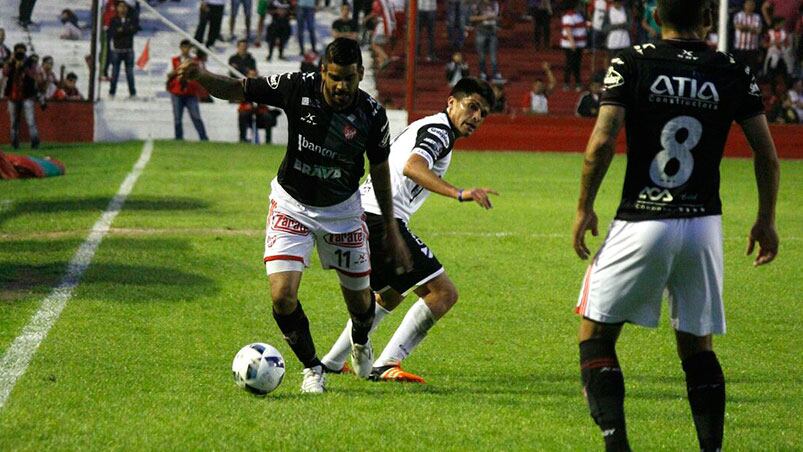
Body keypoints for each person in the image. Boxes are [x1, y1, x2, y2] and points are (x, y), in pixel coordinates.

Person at [571, 1, 780, 450]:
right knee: (697, 347)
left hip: (643, 217)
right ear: (708, 19)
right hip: (704, 225)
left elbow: (602, 141)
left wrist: (584, 206)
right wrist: (765, 219)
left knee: (596, 334)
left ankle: (616, 444)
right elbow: (766, 153)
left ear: (654, 17)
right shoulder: (731, 68)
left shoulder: (633, 61)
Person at [176, 37, 412, 394]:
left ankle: (361, 341)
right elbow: (237, 89)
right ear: (322, 72)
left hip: (343, 214)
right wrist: (201, 75)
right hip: (292, 204)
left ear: (361, 74)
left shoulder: (373, 115)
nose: (341, 86)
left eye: (349, 77)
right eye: (334, 77)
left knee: (361, 304)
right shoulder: (296, 87)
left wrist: (391, 228)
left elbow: (379, 170)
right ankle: (312, 367)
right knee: (282, 297)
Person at [320, 77, 497, 383]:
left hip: (363, 214)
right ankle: (386, 363)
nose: (477, 117)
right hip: (380, 220)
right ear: (451, 102)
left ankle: (332, 362)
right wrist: (459, 193)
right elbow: (413, 166)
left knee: (390, 295)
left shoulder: (432, 126)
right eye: (472, 107)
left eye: (483, 113)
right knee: (443, 293)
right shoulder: (440, 131)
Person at [167, 39, 209, 141]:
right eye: (184, 47)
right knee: (177, 118)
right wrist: (178, 69)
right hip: (177, 92)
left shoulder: (195, 61)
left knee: (196, 116)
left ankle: (203, 138)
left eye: (188, 47)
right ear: (181, 48)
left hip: (191, 92)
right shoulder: (174, 60)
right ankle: (178, 138)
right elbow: (168, 74)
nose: (186, 49)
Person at [3, 43, 40, 149]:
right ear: (14, 52)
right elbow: (5, 73)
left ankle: (35, 143)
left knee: (30, 120)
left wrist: (24, 66)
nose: (20, 53)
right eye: (18, 51)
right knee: (13, 122)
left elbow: (34, 75)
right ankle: (14, 143)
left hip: (27, 95)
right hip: (13, 96)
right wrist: (11, 62)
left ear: (25, 52)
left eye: (22, 51)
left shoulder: (30, 62)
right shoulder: (10, 61)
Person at [108, 0, 138, 98]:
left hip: (128, 50)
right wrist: (124, 30)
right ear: (117, 8)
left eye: (124, 7)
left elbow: (134, 30)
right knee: (115, 73)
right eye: (120, 6)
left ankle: (132, 93)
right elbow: (113, 33)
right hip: (117, 50)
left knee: (130, 73)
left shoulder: (131, 19)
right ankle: (112, 92)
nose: (122, 9)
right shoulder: (114, 20)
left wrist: (122, 30)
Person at [471, 0, 503, 82]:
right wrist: (484, 18)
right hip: (481, 32)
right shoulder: (478, 4)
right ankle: (483, 73)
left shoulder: (495, 3)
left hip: (492, 32)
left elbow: (499, 16)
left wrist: (497, 19)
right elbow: (471, 18)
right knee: (481, 56)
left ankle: (496, 74)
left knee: (494, 56)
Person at [732, 0, 762, 76]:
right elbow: (737, 26)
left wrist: (745, 27)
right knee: (739, 69)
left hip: (752, 49)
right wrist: (751, 28)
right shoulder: (738, 15)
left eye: (752, 4)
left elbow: (758, 30)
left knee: (751, 70)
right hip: (740, 48)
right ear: (744, 5)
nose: (750, 6)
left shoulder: (757, 17)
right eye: (749, 4)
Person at [561, 3, 587, 92]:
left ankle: (577, 83)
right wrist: (572, 43)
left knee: (577, 65)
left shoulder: (578, 15)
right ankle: (566, 83)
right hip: (571, 45)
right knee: (570, 64)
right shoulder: (569, 16)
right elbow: (568, 29)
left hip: (579, 44)